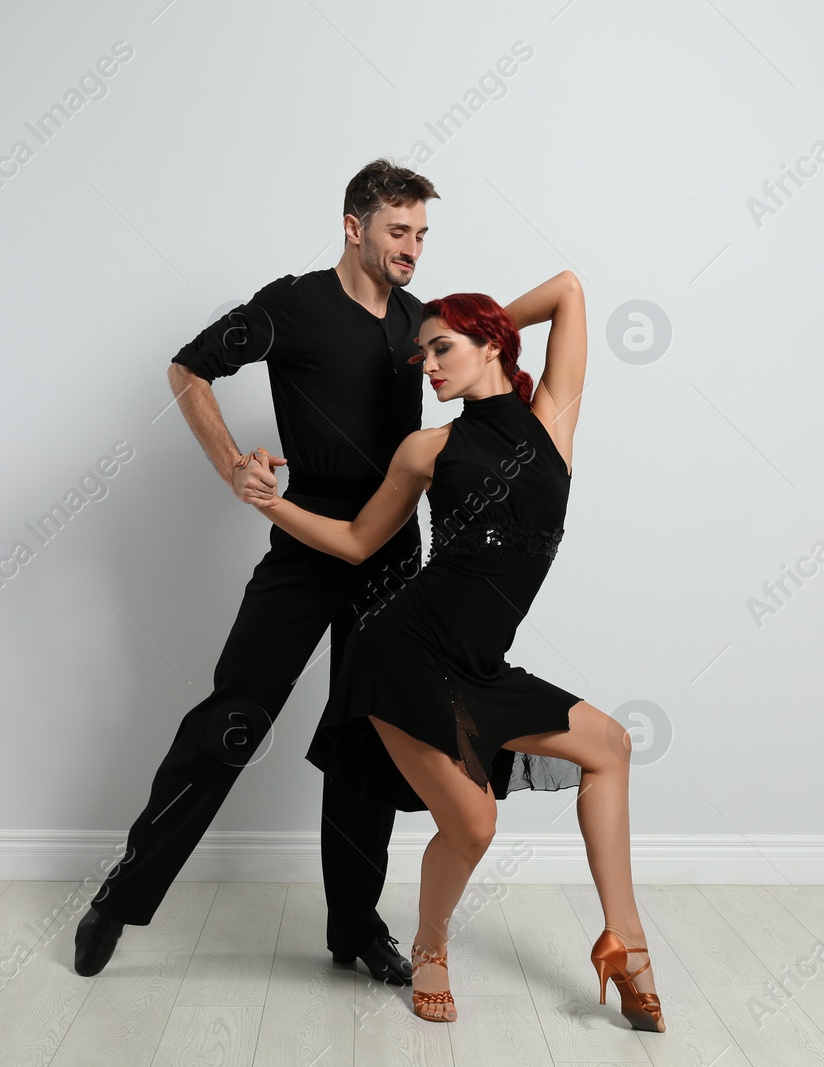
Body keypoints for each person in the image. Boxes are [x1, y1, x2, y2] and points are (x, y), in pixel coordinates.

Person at [242, 272, 666, 1031]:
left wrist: (484, 315)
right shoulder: (427, 447)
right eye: (421, 354)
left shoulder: (551, 421)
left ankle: (625, 943)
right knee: (473, 823)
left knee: (611, 745)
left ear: (492, 342)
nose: (427, 365)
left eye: (441, 348)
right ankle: (430, 947)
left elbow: (568, 290)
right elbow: (356, 541)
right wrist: (274, 504)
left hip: (478, 665)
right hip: (401, 651)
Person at [74, 159, 441, 985]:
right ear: (354, 227)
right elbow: (187, 367)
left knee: (366, 742)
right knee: (231, 722)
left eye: (421, 233)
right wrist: (233, 464)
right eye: (398, 231)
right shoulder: (294, 303)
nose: (412, 247)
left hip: (391, 554)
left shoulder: (417, 321)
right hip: (306, 540)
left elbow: (484, 361)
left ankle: (354, 927)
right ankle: (121, 898)